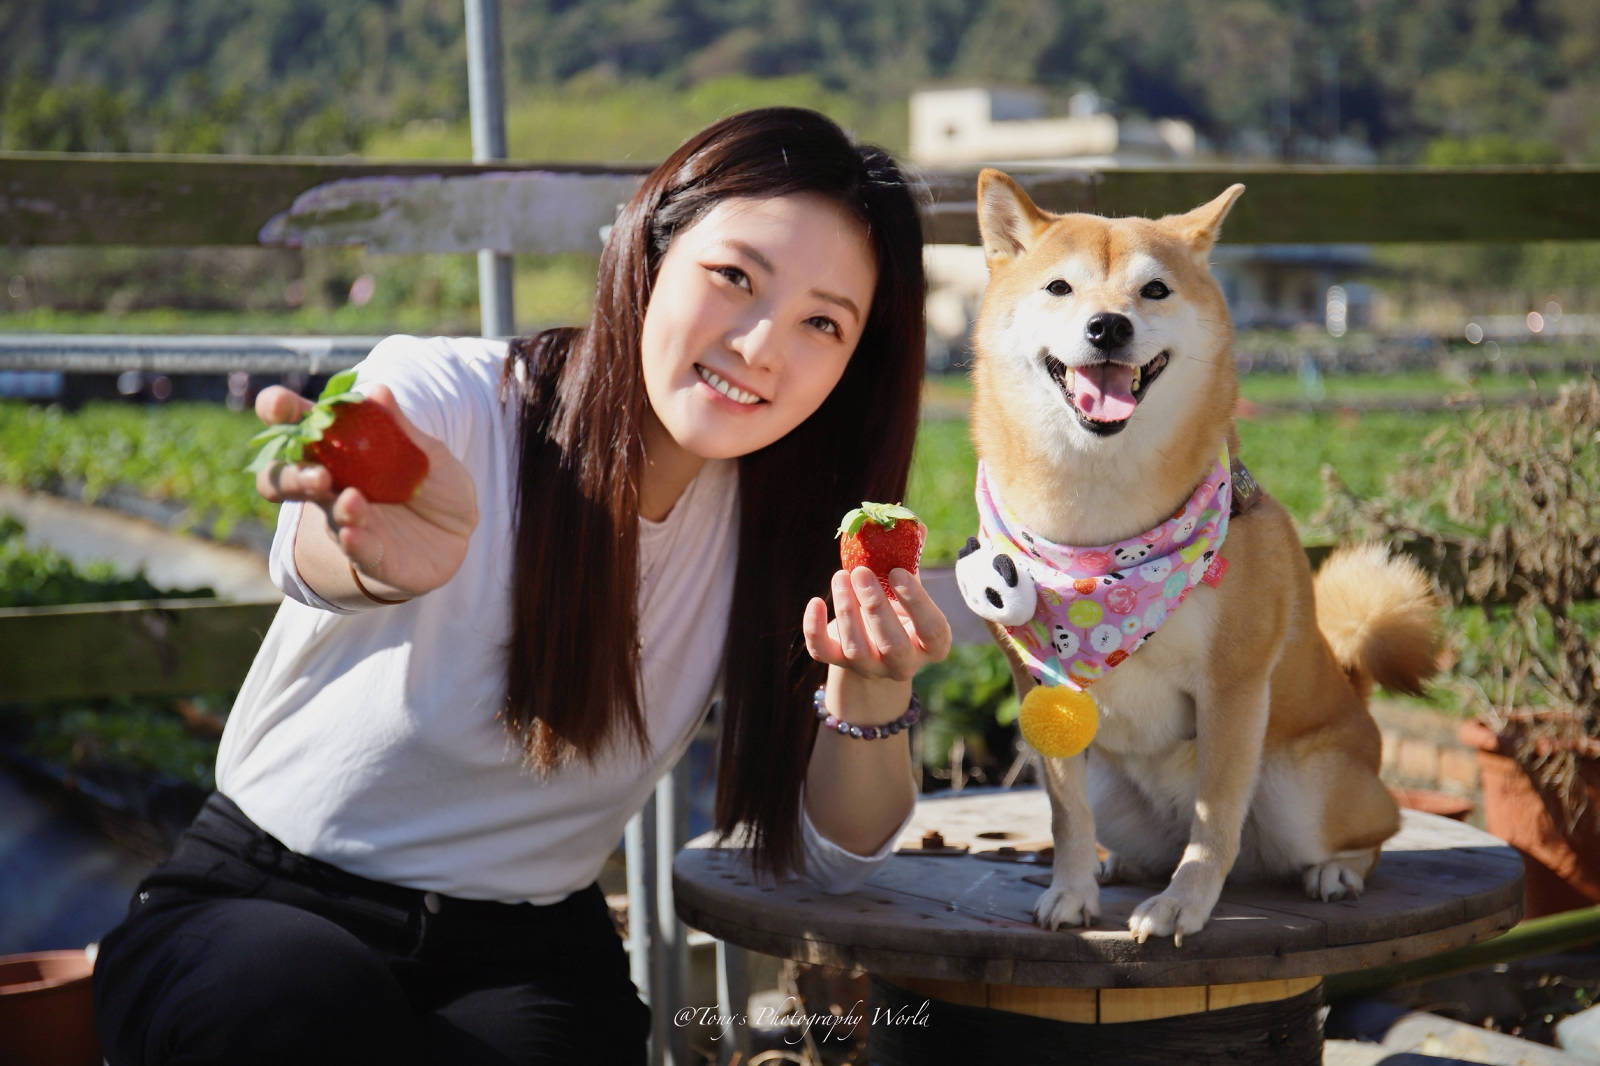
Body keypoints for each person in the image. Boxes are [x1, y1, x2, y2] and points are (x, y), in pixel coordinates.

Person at [91, 107, 949, 1066]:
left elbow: (835, 861)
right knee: (299, 1006)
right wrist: (371, 556)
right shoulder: (456, 399)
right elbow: (311, 548)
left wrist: (874, 690)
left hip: (526, 945)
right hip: (266, 901)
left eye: (822, 323)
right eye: (735, 277)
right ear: (647, 248)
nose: (759, 345)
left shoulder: (794, 532)